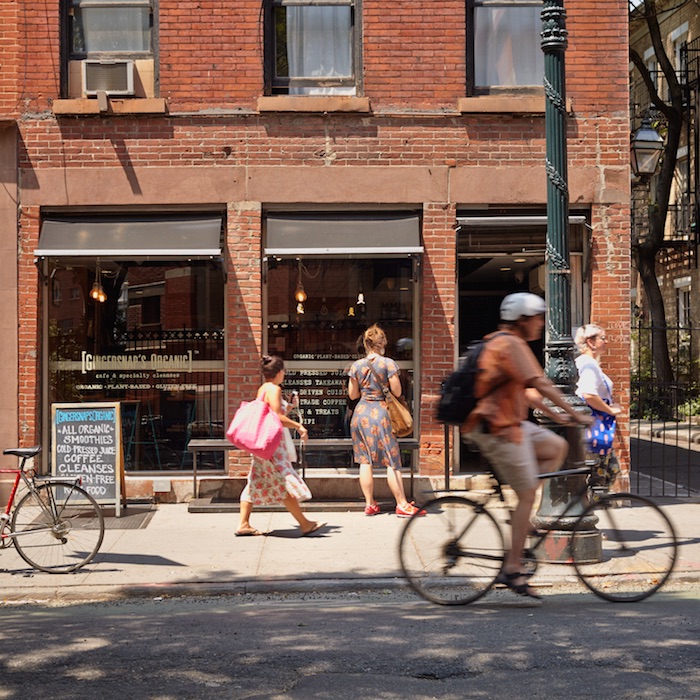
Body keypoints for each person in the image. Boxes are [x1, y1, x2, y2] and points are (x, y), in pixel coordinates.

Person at [463, 293, 590, 600]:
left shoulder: (510, 345)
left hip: (513, 426)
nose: (542, 323)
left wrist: (557, 415)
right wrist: (575, 414)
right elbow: (543, 384)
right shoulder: (509, 344)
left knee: (556, 446)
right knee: (528, 491)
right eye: (538, 317)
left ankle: (525, 516)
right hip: (495, 429)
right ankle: (513, 568)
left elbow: (530, 392)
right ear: (523, 319)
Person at [236, 355, 325, 537]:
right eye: (283, 370)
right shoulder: (274, 389)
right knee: (284, 482)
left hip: (262, 447)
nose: (284, 373)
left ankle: (243, 524)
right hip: (273, 447)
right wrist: (299, 426)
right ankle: (305, 523)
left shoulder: (263, 388)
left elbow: (269, 413)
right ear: (279, 372)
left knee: (254, 482)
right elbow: (276, 417)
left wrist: (289, 407)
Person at [348, 324, 425, 518]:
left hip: (360, 414)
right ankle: (402, 503)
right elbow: (397, 392)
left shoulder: (356, 366)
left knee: (365, 461)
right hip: (381, 414)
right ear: (381, 343)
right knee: (392, 461)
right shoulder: (388, 363)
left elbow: (352, 394)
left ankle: (370, 504)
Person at [574, 324, 622, 484]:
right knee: (601, 474)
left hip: (595, 427)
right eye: (602, 338)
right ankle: (591, 504)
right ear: (590, 342)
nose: (606, 341)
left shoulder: (586, 363)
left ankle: (592, 504)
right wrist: (610, 409)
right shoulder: (589, 365)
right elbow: (588, 394)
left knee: (608, 469)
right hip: (594, 427)